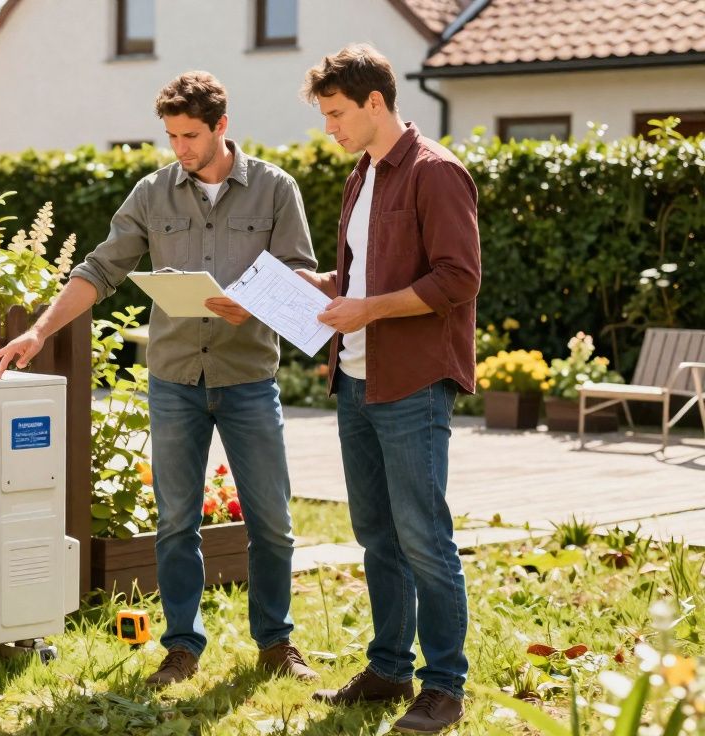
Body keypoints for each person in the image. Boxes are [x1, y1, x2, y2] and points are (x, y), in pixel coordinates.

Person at [0, 71, 319, 687]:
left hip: (248, 378)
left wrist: (254, 301)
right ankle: (182, 646)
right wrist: (40, 331)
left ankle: (276, 643)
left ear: (222, 125)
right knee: (175, 522)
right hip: (173, 380)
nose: (180, 149)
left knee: (271, 520)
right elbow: (100, 269)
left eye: (191, 135)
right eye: (171, 136)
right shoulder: (152, 192)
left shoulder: (275, 189)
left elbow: (301, 273)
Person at [295, 44, 480, 734]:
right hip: (356, 379)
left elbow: (458, 280)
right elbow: (362, 280)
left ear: (376, 102)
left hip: (412, 384)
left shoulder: (437, 174)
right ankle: (388, 669)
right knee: (376, 534)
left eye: (337, 113)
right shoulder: (362, 176)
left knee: (423, 536)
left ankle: (443, 687)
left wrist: (368, 309)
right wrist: (307, 290)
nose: (330, 128)